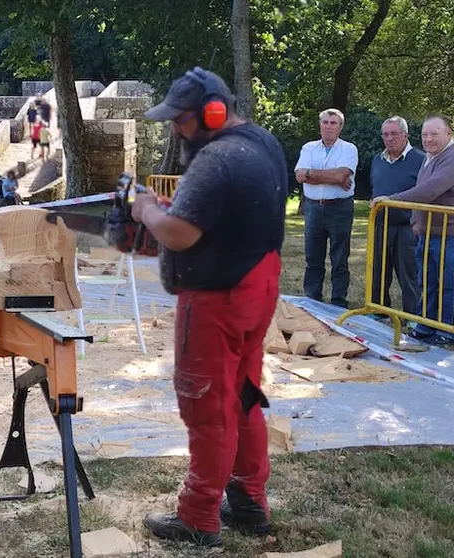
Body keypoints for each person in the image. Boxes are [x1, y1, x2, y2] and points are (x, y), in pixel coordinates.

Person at [133, 66, 288, 547]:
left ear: (212, 113)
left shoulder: (217, 158)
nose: (177, 130)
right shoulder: (263, 142)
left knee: (205, 404)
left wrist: (147, 210)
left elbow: (180, 233)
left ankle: (199, 516)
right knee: (242, 395)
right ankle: (249, 501)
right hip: (257, 283)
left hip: (217, 298)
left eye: (181, 121)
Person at [371, 115, 454, 346]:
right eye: (425, 134)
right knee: (427, 282)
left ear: (449, 134)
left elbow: (430, 190)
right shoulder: (430, 157)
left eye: (434, 134)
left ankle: (449, 332)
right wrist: (417, 222)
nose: (428, 139)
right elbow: (422, 192)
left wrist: (392, 199)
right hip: (429, 232)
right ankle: (426, 326)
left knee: (450, 283)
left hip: (452, 234)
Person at [294, 109, 358, 308]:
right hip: (313, 209)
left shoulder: (349, 149)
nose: (328, 126)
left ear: (340, 127)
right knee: (313, 258)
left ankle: (338, 303)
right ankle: (312, 301)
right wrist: (332, 177)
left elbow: (341, 176)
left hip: (340, 209)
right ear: (320, 125)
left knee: (339, 258)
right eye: (325, 122)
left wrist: (311, 173)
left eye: (333, 123)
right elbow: (299, 176)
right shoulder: (308, 148)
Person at [368, 116, 424, 315]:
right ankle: (378, 311)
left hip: (407, 227)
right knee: (378, 272)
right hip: (380, 225)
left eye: (394, 134)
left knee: (409, 273)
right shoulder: (377, 159)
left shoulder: (420, 159)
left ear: (405, 135)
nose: (389, 138)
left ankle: (414, 316)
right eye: (385, 134)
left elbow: (426, 192)